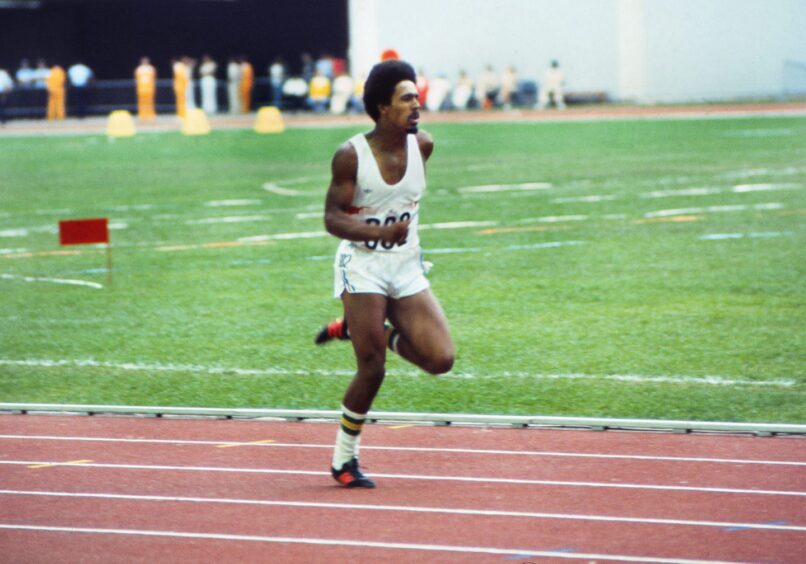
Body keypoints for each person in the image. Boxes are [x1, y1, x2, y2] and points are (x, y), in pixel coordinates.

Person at [315, 60, 455, 488]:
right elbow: (332, 219)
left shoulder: (424, 146)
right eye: (406, 98)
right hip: (362, 265)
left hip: (406, 265)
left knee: (440, 359)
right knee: (372, 368)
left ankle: (367, 330)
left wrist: (398, 234)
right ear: (382, 108)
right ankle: (343, 460)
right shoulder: (351, 155)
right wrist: (379, 230)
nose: (417, 105)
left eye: (417, 97)